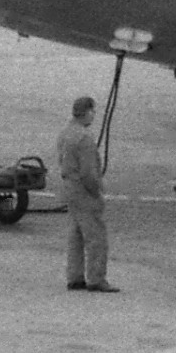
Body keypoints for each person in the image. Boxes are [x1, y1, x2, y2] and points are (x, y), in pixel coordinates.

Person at [56, 95, 116, 292]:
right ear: (88, 112)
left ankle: (75, 276)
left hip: (69, 188)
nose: (94, 115)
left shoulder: (65, 133)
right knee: (96, 236)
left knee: (75, 234)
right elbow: (88, 173)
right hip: (83, 191)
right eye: (93, 111)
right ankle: (96, 278)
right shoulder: (84, 139)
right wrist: (97, 191)